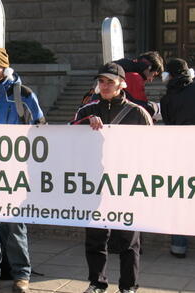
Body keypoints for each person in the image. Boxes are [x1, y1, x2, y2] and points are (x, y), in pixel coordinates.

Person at [71, 62, 153, 293]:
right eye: (102, 81)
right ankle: (97, 283)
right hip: (94, 184)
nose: (105, 85)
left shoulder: (138, 113)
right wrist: (84, 123)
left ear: (122, 84)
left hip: (125, 185)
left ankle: (128, 287)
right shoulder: (86, 110)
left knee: (129, 240)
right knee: (96, 238)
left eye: (110, 81)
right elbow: (66, 138)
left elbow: (152, 150)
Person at [0, 48, 45, 293]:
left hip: (16, 171)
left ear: (5, 67)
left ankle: (21, 276)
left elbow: (40, 129)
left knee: (15, 225)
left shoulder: (23, 94)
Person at [159, 58, 195, 258]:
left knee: (181, 197)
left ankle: (178, 246)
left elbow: (169, 126)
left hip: (180, 153)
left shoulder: (167, 99)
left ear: (169, 76)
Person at [81, 52, 164, 117]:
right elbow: (141, 109)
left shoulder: (88, 106)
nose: (151, 80)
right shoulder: (134, 77)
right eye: (153, 75)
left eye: (110, 82)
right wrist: (155, 107)